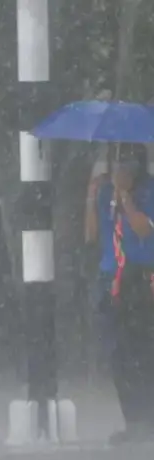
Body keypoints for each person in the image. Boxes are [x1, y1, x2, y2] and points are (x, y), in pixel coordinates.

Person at [85, 143, 154, 443]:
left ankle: (148, 418)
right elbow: (90, 234)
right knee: (119, 354)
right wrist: (92, 196)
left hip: (141, 276)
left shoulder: (147, 192)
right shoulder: (105, 194)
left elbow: (144, 230)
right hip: (112, 277)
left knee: (143, 351)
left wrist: (126, 197)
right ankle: (134, 419)